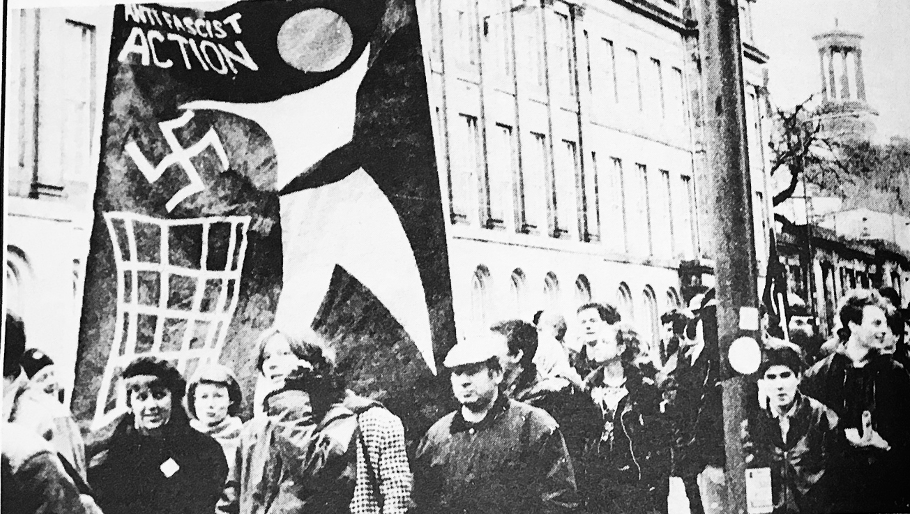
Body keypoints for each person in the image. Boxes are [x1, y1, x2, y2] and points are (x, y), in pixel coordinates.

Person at [413, 339, 578, 513]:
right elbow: (421, 502)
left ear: (497, 374)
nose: (464, 381)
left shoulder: (534, 426)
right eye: (457, 373)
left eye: (472, 371)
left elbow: (559, 501)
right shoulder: (436, 436)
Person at [218, 327, 360, 514]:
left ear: (310, 362)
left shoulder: (339, 419)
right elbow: (230, 500)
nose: (272, 364)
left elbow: (317, 472)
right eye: (266, 357)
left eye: (284, 353)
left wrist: (291, 396)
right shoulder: (252, 429)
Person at [800, 289, 910, 513]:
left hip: (884, 494)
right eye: (876, 323)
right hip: (835, 496)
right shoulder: (819, 376)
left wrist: (886, 446)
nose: (884, 331)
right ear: (852, 325)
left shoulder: (896, 375)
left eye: (885, 324)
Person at [88, 356, 228, 514]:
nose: (151, 406)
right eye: (141, 397)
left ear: (173, 399)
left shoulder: (204, 451)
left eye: (159, 395)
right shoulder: (112, 457)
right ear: (130, 404)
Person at [3, 312, 100, 514]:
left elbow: (75, 491)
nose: (51, 383)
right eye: (43, 377)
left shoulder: (49, 415)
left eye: (52, 375)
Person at [490, 319, 600, 496]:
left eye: (492, 351)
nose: (486, 358)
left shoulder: (553, 400)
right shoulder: (495, 400)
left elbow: (565, 475)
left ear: (517, 355)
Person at [582, 316, 671, 514]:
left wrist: (655, 485)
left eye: (605, 342)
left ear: (621, 349)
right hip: (599, 479)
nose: (598, 347)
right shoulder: (588, 388)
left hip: (633, 478)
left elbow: (658, 441)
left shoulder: (642, 388)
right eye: (596, 342)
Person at [743, 341, 840, 513]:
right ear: (762, 382)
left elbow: (837, 473)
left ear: (798, 377)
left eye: (785, 375)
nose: (779, 385)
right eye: (771, 377)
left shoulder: (821, 416)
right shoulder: (755, 424)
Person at [661, 294, 726, 514]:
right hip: (692, 444)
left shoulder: (717, 357)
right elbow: (682, 402)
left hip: (713, 447)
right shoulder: (687, 357)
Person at [187, 363, 244, 472]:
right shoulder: (185, 438)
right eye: (204, 397)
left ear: (230, 400)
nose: (210, 404)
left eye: (218, 396)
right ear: (194, 401)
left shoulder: (242, 438)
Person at [574, 302, 622, 378]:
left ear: (606, 324)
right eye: (583, 322)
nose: (587, 326)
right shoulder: (574, 361)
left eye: (593, 321)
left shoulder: (614, 358)